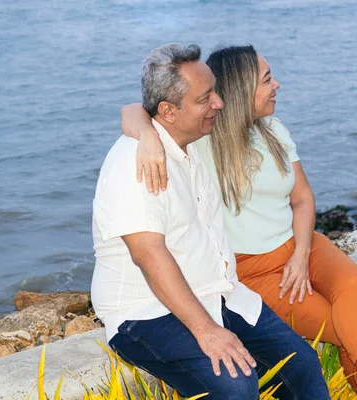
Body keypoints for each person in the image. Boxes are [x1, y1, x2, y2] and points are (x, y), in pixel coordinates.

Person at [120, 45, 357, 400]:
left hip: (302, 247)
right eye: (267, 79)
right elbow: (132, 112)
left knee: (354, 283)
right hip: (253, 270)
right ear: (240, 89)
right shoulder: (201, 141)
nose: (277, 85)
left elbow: (303, 199)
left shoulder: (273, 129)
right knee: (347, 328)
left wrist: (301, 253)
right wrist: (146, 136)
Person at [91, 43, 330, 400]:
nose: (219, 102)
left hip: (219, 295)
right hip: (145, 312)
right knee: (234, 385)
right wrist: (206, 331)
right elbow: (147, 254)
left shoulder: (190, 147)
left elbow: (135, 113)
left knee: (302, 364)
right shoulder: (136, 163)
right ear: (168, 111)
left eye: (215, 91)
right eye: (206, 99)